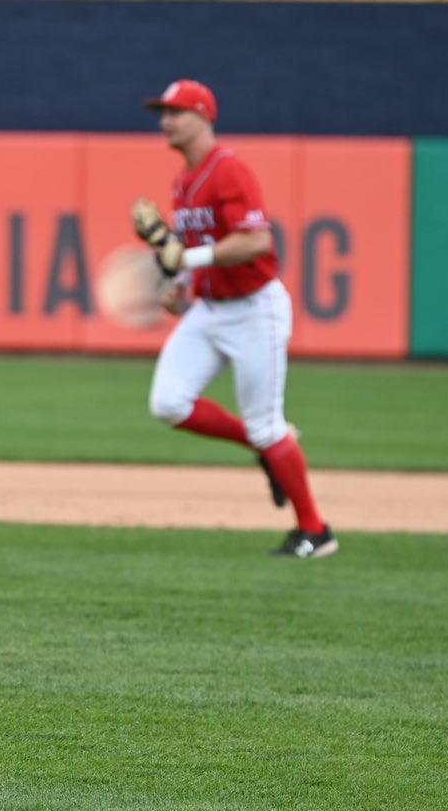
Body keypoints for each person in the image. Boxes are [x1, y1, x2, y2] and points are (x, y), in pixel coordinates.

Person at [130, 78, 336, 559]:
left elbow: (256, 243)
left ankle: (315, 531)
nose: (165, 121)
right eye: (162, 112)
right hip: (210, 308)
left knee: (267, 425)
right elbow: (197, 255)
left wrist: (185, 262)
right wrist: (181, 288)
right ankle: (270, 447)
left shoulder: (229, 170)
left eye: (175, 112)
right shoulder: (184, 182)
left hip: (253, 310)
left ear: (203, 116)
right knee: (168, 403)